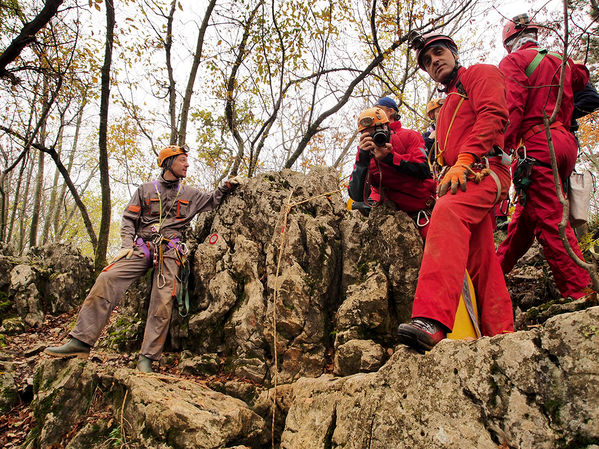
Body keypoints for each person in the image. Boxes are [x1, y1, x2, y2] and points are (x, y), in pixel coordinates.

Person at [44, 145, 242, 372]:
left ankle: (147, 358)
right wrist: (126, 245)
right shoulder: (145, 190)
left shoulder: (190, 194)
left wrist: (226, 187)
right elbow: (129, 218)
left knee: (163, 298)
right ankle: (80, 341)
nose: (187, 164)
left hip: (170, 251)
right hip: (142, 248)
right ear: (168, 163)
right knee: (107, 278)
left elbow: (212, 200)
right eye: (182, 160)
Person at [396, 32, 514, 352]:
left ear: (453, 52)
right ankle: (501, 332)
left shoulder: (479, 74)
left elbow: (494, 114)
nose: (433, 61)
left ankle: (431, 319)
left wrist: (465, 159)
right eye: (426, 61)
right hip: (462, 176)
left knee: (446, 213)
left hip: (484, 170)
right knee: (482, 258)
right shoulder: (448, 104)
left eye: (438, 53)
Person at [495, 14, 592, 300]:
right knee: (524, 221)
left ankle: (580, 290)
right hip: (563, 144)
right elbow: (582, 76)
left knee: (551, 221)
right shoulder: (560, 61)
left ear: (509, 42)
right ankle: (494, 273)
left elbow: (513, 108)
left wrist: (503, 149)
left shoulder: (513, 62)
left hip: (536, 146)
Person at [348, 106, 436, 239]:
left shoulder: (408, 136)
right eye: (368, 134)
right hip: (393, 220)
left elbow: (423, 169)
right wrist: (362, 162)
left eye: (378, 131)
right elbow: (356, 195)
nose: (375, 137)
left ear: (388, 127)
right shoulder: (365, 155)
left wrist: (390, 158)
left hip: (425, 212)